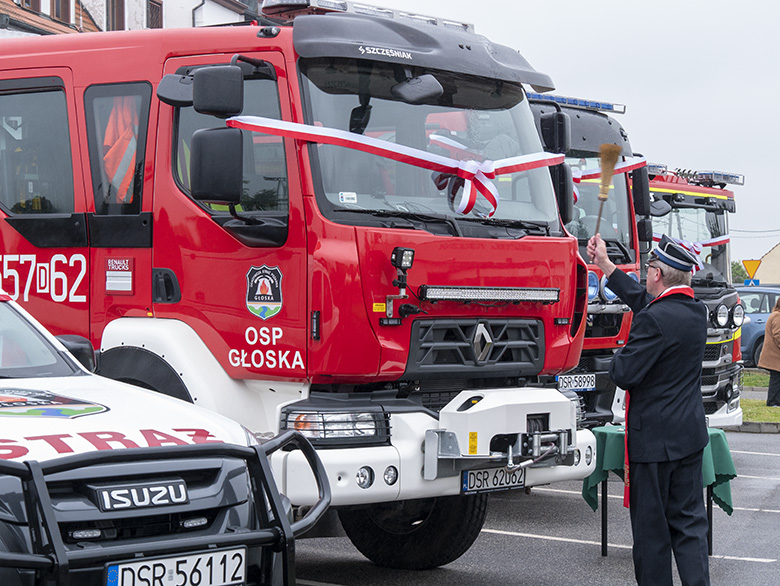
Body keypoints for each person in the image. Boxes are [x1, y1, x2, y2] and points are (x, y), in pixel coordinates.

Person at [587, 233, 711, 586]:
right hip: (688, 437)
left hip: (654, 443)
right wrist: (607, 266)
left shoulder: (653, 320)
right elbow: (646, 302)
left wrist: (615, 354)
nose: (644, 275)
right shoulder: (696, 311)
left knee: (652, 536)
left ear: (657, 273)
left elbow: (624, 374)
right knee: (689, 527)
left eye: (648, 269)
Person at [757, 297, 780, 407]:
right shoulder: (777, 316)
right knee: (776, 379)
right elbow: (778, 335)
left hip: (774, 354)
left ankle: (775, 401)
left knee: (777, 379)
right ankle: (772, 402)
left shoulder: (775, 314)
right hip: (774, 355)